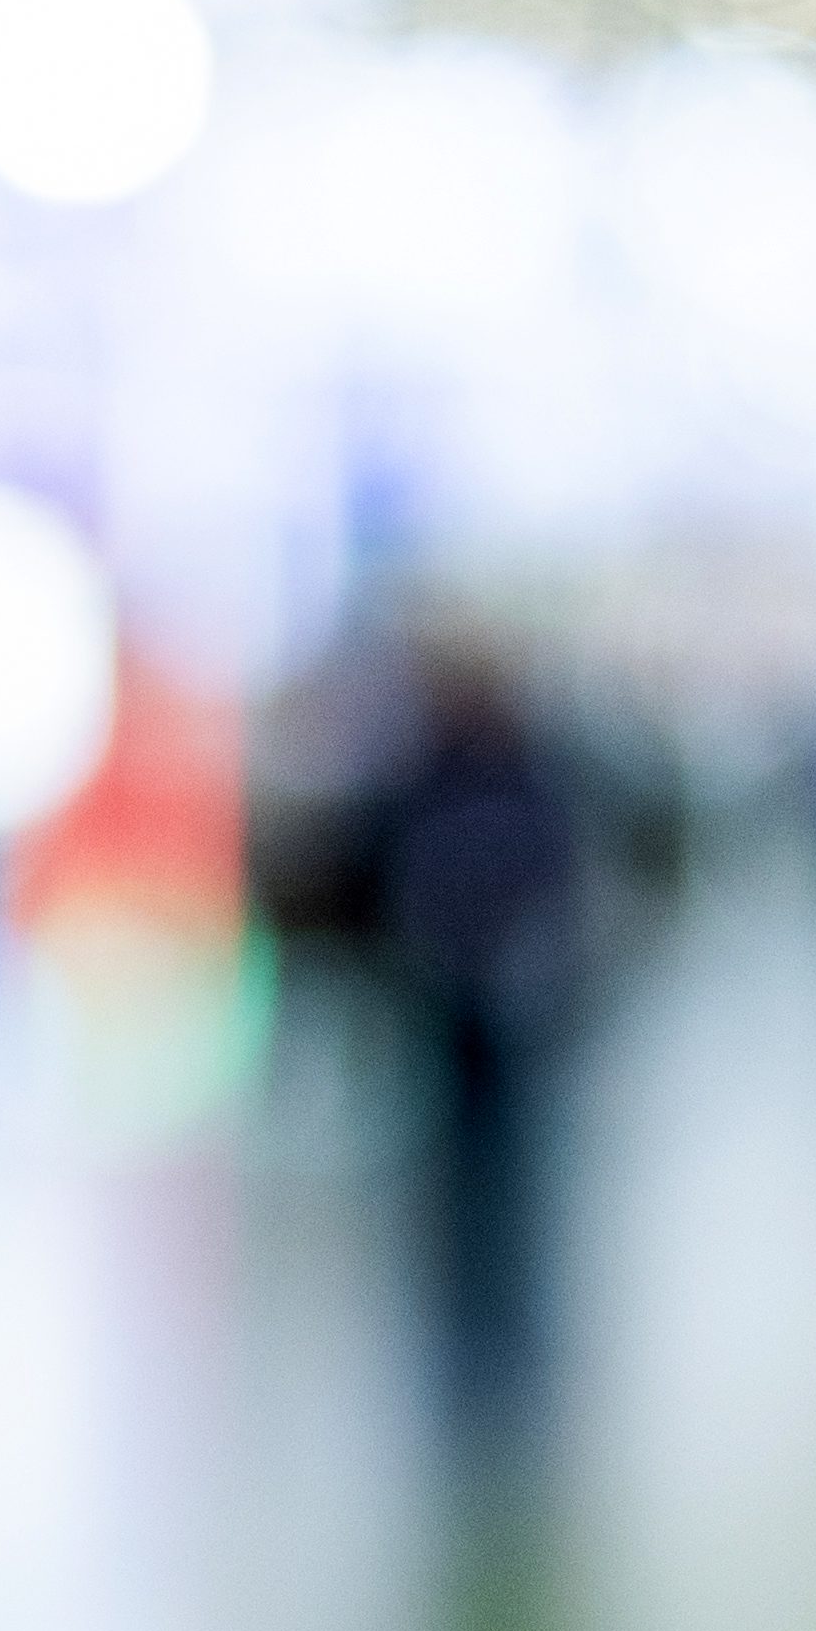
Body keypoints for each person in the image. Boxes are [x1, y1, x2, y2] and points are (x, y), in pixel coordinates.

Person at [278, 633, 619, 1476]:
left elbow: (566, 878)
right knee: (458, 1169)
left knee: (508, 1172)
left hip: (511, 1003)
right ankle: (465, 1332)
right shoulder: (426, 777)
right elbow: (366, 873)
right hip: (441, 999)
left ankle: (509, 1335)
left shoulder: (527, 775)